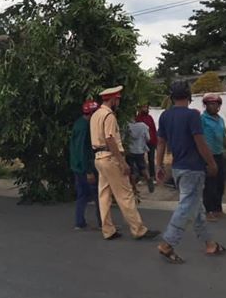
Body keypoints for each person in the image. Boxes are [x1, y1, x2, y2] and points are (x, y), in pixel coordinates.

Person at [156, 81, 226, 264]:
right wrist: (211, 163)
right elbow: (200, 142)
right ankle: (167, 244)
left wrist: (158, 166)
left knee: (197, 208)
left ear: (171, 97)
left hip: (178, 168)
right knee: (187, 206)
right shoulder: (192, 115)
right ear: (189, 96)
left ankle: (210, 244)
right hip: (193, 168)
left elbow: (161, 143)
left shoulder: (164, 116)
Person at [90, 85, 160, 241]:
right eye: (118, 99)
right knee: (125, 194)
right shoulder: (109, 116)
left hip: (99, 157)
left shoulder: (96, 115)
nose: (119, 102)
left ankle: (108, 230)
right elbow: (110, 139)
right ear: (113, 100)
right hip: (109, 157)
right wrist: (122, 162)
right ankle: (138, 229)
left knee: (104, 195)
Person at [201, 93, 226, 221]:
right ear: (206, 105)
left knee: (220, 183)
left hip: (219, 155)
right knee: (210, 184)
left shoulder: (220, 119)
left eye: (216, 104)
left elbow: (224, 137)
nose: (213, 106)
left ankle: (218, 209)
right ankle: (208, 211)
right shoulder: (202, 119)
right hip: (208, 156)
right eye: (210, 104)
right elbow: (199, 138)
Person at [69, 100, 101, 230]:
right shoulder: (87, 127)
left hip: (76, 165)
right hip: (85, 166)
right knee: (98, 195)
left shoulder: (78, 123)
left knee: (82, 194)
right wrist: (89, 171)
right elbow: (84, 149)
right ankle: (103, 223)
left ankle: (79, 222)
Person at [125, 119, 155, 193]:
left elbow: (123, 138)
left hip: (130, 151)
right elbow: (148, 138)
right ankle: (148, 178)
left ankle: (134, 188)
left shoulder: (126, 126)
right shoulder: (143, 126)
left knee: (131, 170)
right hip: (140, 150)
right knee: (143, 167)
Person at [136, 103, 157, 183]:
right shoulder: (137, 118)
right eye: (144, 107)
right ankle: (141, 176)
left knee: (151, 159)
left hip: (151, 141)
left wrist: (155, 141)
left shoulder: (150, 117)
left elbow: (153, 129)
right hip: (141, 142)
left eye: (146, 107)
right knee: (140, 159)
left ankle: (152, 176)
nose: (145, 109)